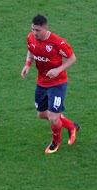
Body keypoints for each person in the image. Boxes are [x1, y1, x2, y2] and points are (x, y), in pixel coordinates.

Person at [20, 14, 80, 154]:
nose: (34, 33)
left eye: (38, 30)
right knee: (41, 114)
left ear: (45, 28)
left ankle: (55, 142)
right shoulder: (31, 38)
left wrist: (58, 69)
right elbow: (31, 50)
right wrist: (27, 64)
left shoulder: (57, 42)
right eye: (33, 29)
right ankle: (72, 126)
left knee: (53, 117)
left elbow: (72, 58)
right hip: (41, 82)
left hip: (57, 83)